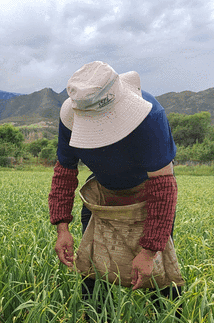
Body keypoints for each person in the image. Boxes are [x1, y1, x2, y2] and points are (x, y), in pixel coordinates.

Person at [48, 61, 181, 304]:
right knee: (91, 270)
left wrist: (149, 251)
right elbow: (64, 172)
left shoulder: (150, 117)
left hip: (147, 192)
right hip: (103, 192)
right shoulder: (70, 119)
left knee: (159, 274)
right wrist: (62, 228)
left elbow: (162, 187)